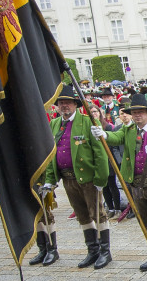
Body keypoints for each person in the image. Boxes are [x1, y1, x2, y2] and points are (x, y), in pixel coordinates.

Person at [92, 93, 147, 271]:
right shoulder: (127, 130)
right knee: (146, 221)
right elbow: (115, 138)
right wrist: (103, 133)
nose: (137, 116)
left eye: (140, 112)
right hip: (135, 185)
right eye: (134, 112)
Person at [37, 89, 111, 268]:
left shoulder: (87, 122)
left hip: (88, 178)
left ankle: (105, 252)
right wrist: (50, 178)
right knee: (82, 215)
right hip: (68, 178)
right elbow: (51, 153)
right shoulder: (54, 124)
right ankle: (92, 250)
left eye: (68, 102)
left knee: (98, 214)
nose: (64, 106)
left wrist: (101, 179)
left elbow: (100, 154)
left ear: (76, 105)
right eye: (61, 103)